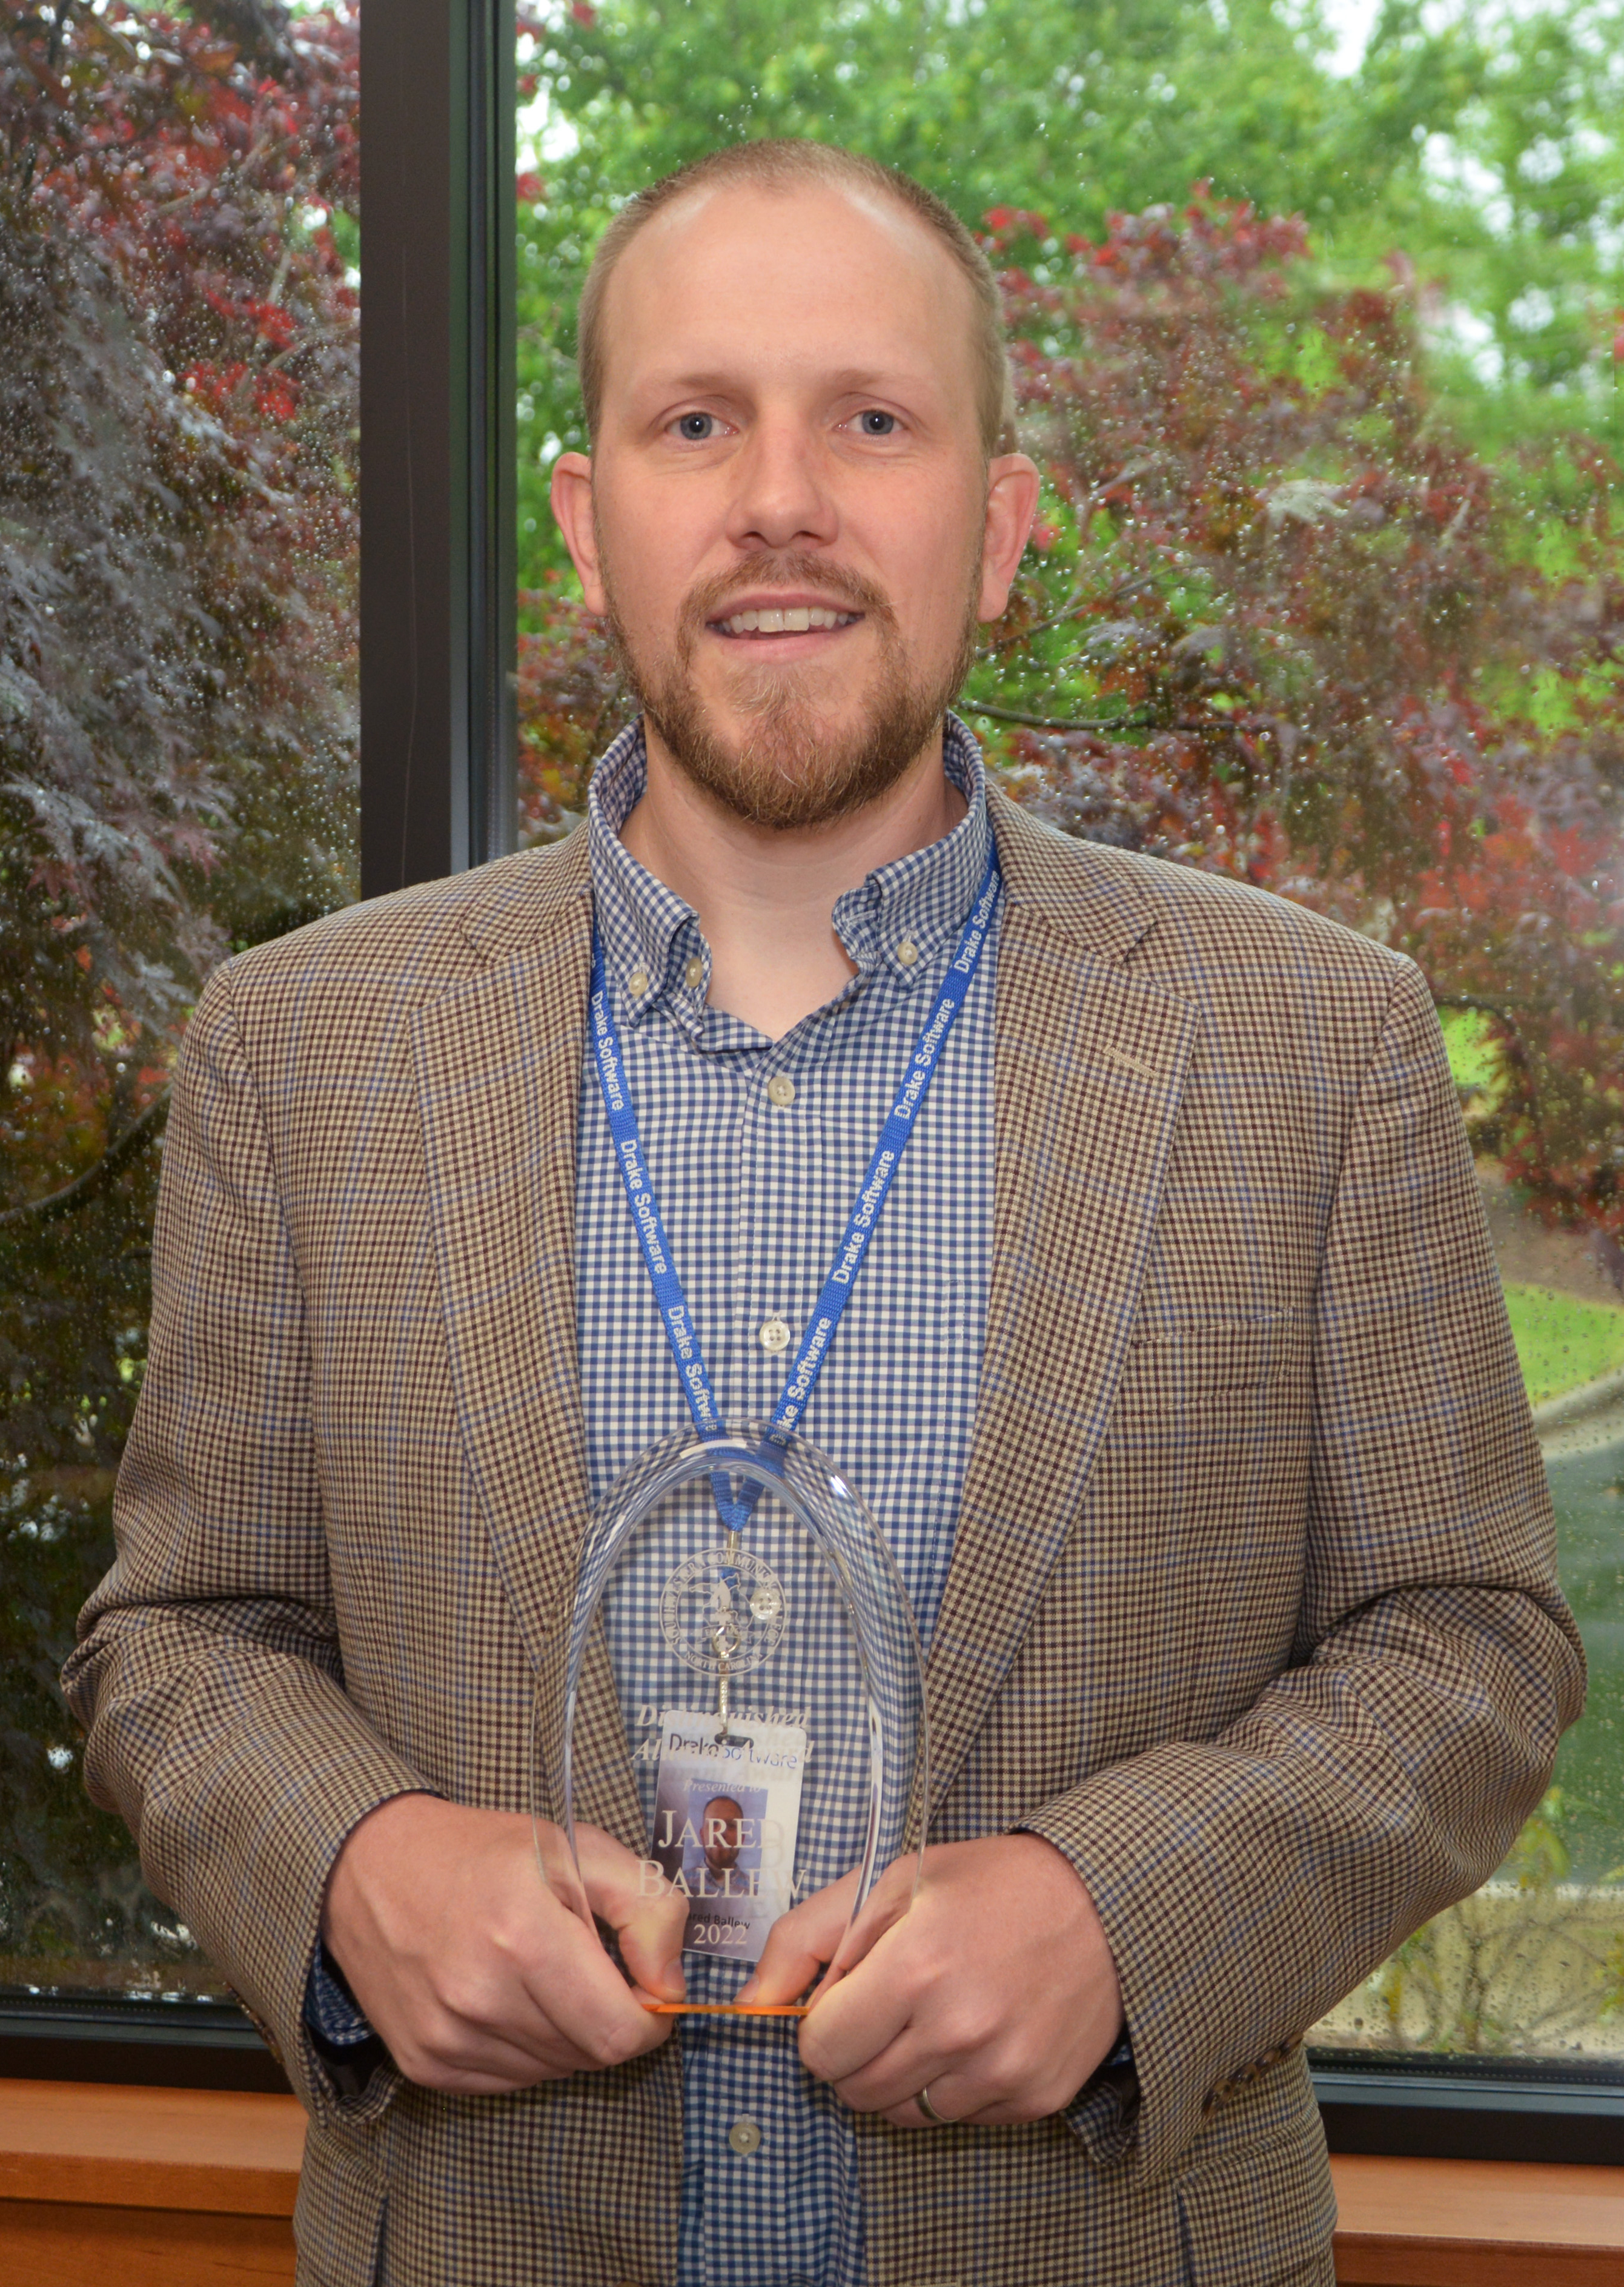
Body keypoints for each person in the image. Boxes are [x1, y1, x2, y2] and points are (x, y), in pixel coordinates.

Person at [64, 137, 1584, 2287]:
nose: (781, 494)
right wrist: (355, 1863)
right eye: (699, 421)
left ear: (999, 523)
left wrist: (1123, 1911)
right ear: (592, 527)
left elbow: (1473, 1644)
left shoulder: (1308, 1043)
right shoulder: (299, 1049)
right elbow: (182, 1644)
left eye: (870, 419)